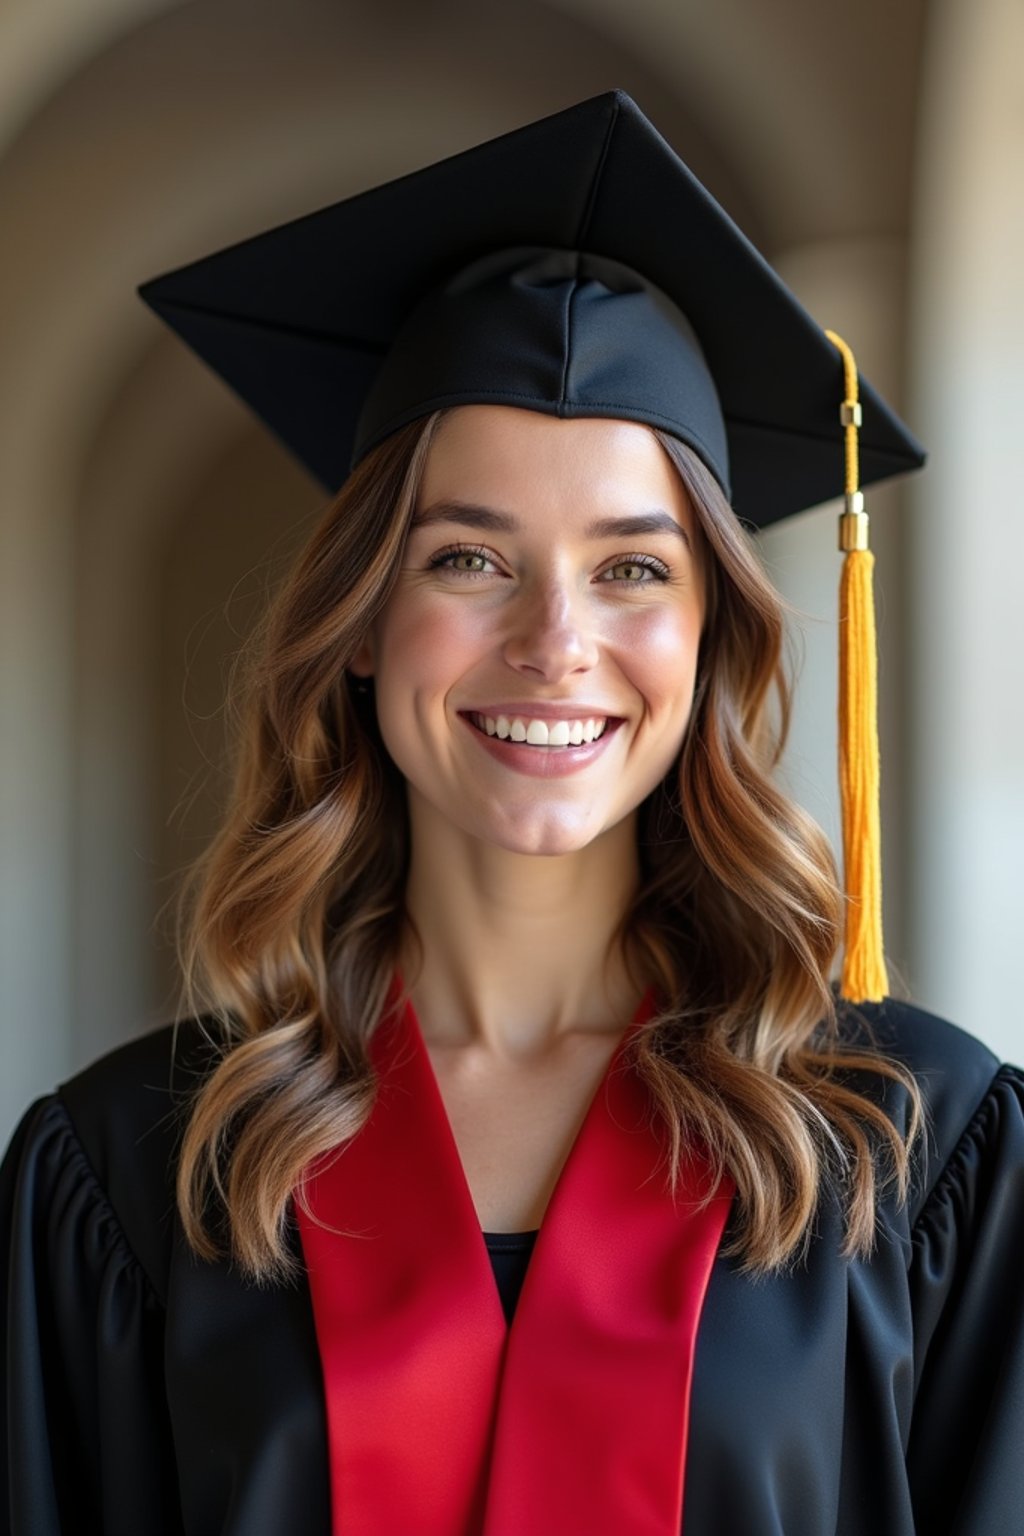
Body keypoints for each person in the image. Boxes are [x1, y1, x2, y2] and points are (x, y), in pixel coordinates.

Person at [2, 90, 1023, 1536]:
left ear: (712, 631)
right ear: (359, 622)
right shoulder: (132, 1183)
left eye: (631, 570)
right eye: (471, 558)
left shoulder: (907, 1155)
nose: (555, 641)